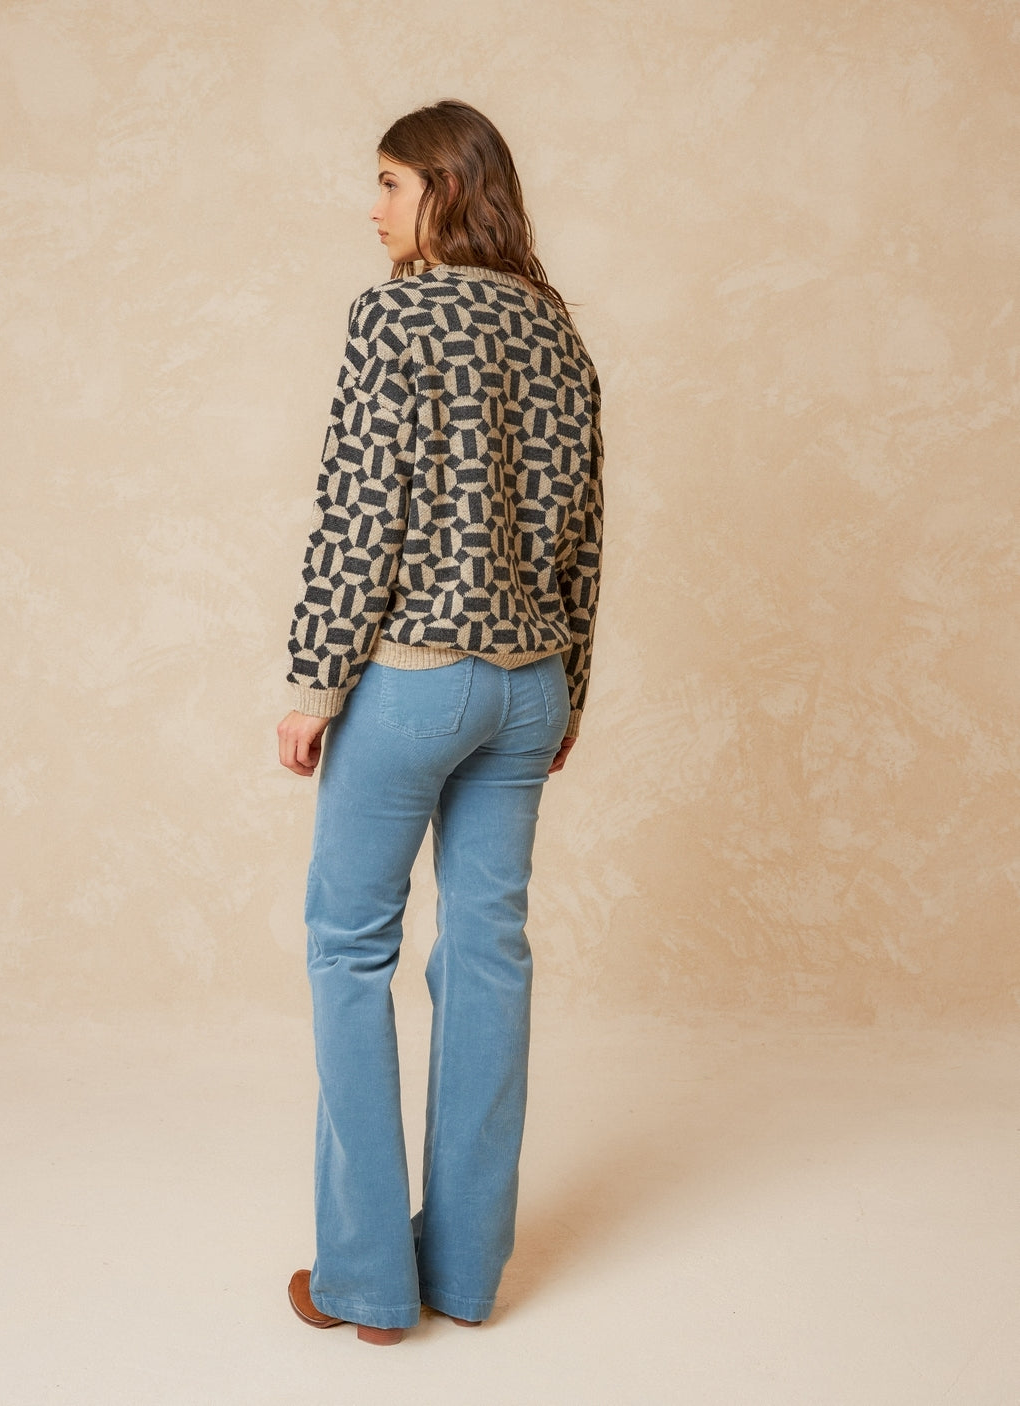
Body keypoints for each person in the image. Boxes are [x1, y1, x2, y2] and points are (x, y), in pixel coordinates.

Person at [278, 99, 603, 1346]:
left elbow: (360, 508)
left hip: (415, 677)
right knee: (487, 955)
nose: (372, 207)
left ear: (446, 190)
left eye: (389, 182)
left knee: (348, 946)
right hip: (529, 685)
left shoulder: (396, 317)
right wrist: (570, 685)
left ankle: (365, 1281)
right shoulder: (557, 330)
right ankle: (465, 1270)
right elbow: (584, 528)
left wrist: (315, 683)